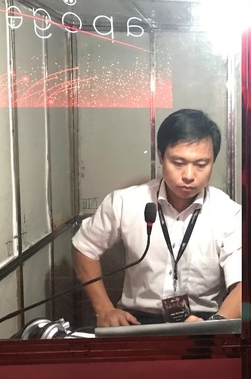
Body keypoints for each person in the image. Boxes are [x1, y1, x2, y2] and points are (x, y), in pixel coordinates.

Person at [72, 109, 241, 327]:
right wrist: (104, 310)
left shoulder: (228, 213)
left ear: (213, 161)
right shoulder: (125, 202)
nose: (189, 176)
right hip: (137, 320)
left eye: (201, 165)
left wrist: (214, 326)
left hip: (203, 320)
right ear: (161, 156)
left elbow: (243, 284)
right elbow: (84, 248)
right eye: (178, 163)